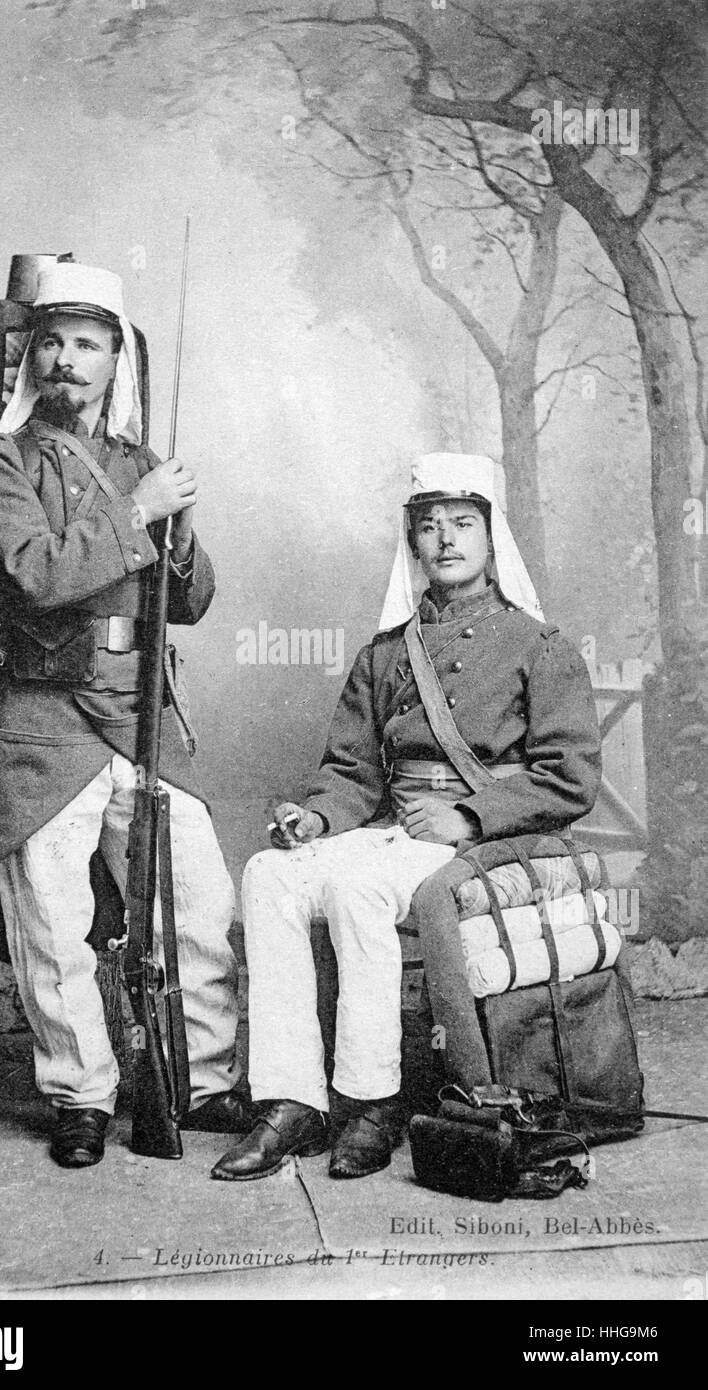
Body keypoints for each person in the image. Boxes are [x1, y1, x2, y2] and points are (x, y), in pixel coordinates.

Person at [212, 454, 601, 1183]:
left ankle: (371, 1101)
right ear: (412, 543)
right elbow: (353, 772)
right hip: (392, 827)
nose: (447, 540)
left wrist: (470, 814)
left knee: (359, 892)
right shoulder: (386, 653)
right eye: (430, 527)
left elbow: (569, 778)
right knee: (269, 872)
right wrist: (319, 819)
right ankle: (292, 1099)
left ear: (491, 538)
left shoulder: (538, 646)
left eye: (463, 524)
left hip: (495, 839)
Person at [0, 261, 249, 1168]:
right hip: (42, 714)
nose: (67, 360)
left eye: (88, 344)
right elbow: (37, 575)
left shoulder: (139, 461)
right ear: (31, 359)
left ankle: (200, 1079)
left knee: (197, 902)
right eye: (52, 342)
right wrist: (139, 511)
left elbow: (191, 602)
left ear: (115, 360)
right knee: (51, 921)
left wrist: (180, 526)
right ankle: (80, 1096)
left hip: (136, 710)